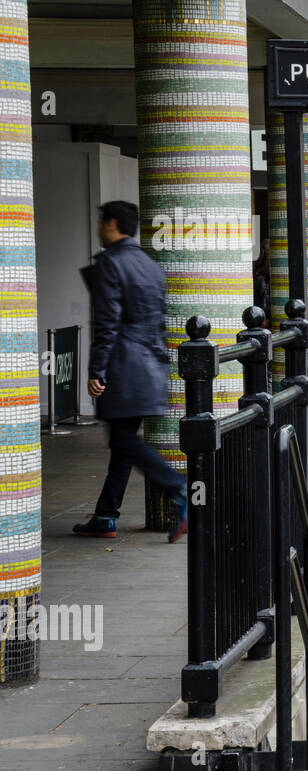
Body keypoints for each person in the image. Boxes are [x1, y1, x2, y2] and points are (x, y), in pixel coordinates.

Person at [74, 201, 188, 542]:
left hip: (124, 366)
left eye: (100, 224)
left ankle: (177, 487)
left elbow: (107, 323)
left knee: (123, 440)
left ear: (111, 224)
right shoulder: (151, 266)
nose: (98, 230)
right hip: (150, 366)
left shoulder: (111, 264)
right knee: (122, 441)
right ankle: (105, 515)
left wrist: (97, 371)